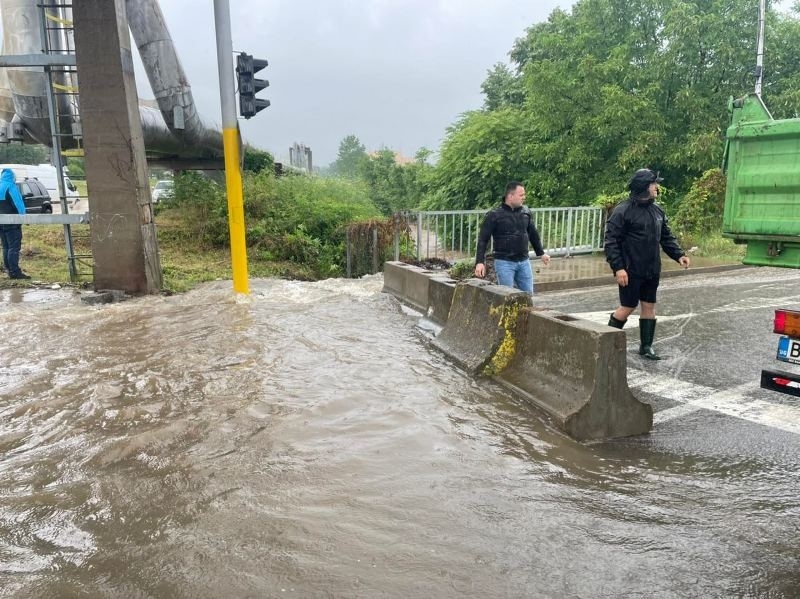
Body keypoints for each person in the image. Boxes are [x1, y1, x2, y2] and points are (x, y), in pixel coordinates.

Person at [604, 168, 690, 360]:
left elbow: (666, 236)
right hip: (630, 270)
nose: (657, 187)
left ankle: (646, 347)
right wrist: (618, 268)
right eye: (653, 184)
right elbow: (611, 241)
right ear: (644, 186)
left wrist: (679, 255)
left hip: (651, 269)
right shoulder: (623, 211)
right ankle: (606, 344)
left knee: (649, 305)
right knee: (627, 307)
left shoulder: (657, 211)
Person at [474, 181, 550, 294]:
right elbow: (483, 240)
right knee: (507, 296)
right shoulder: (494, 215)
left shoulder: (526, 212)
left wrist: (541, 253)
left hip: (524, 261)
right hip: (504, 262)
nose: (524, 197)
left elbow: (533, 234)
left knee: (528, 295)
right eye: (521, 195)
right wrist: (479, 262)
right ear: (510, 196)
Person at [0, 167, 31, 280]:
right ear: (12, 177)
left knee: (6, 247)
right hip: (12, 222)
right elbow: (18, 204)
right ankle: (15, 272)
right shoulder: (11, 186)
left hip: (1, 222)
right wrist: (24, 218)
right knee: (14, 247)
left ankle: (9, 271)